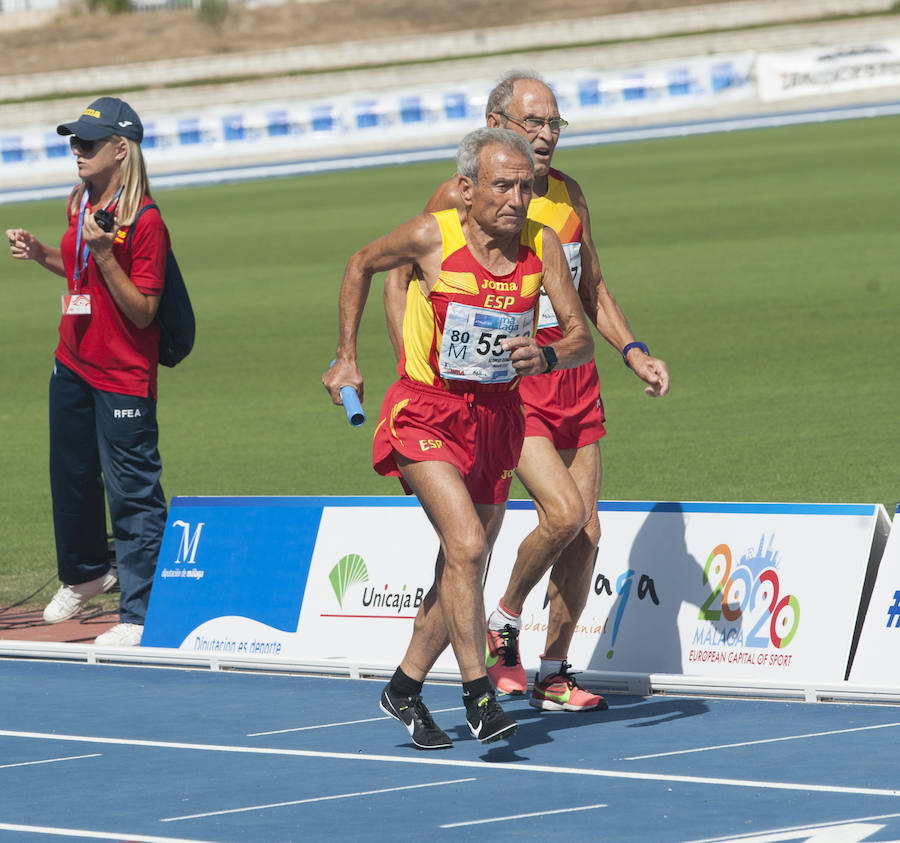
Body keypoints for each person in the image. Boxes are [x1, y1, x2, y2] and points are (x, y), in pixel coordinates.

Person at [383, 73, 670, 713]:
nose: (545, 136)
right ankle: (504, 619)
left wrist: (633, 351)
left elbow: (591, 285)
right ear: (497, 121)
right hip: (514, 387)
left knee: (586, 532)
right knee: (563, 514)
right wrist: (414, 358)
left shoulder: (569, 195)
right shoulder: (461, 195)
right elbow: (395, 278)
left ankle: (553, 673)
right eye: (532, 123)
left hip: (574, 379)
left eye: (554, 124)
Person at [323, 127, 594, 749]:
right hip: (425, 412)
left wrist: (545, 356)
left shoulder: (542, 247)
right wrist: (346, 357)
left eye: (525, 187)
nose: (516, 199)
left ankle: (404, 687)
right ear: (466, 190)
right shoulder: (430, 235)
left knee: (459, 564)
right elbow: (360, 263)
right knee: (468, 545)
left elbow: (576, 335)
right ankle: (478, 695)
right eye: (502, 186)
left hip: (498, 419)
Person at [6, 96, 170, 647]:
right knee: (71, 477)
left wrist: (104, 255)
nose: (76, 151)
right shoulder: (79, 199)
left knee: (132, 491)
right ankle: (84, 573)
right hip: (72, 361)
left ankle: (140, 612)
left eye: (88, 143)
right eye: (74, 141)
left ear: (120, 149)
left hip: (122, 373)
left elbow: (145, 310)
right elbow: (76, 269)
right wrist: (42, 254)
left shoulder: (144, 221)